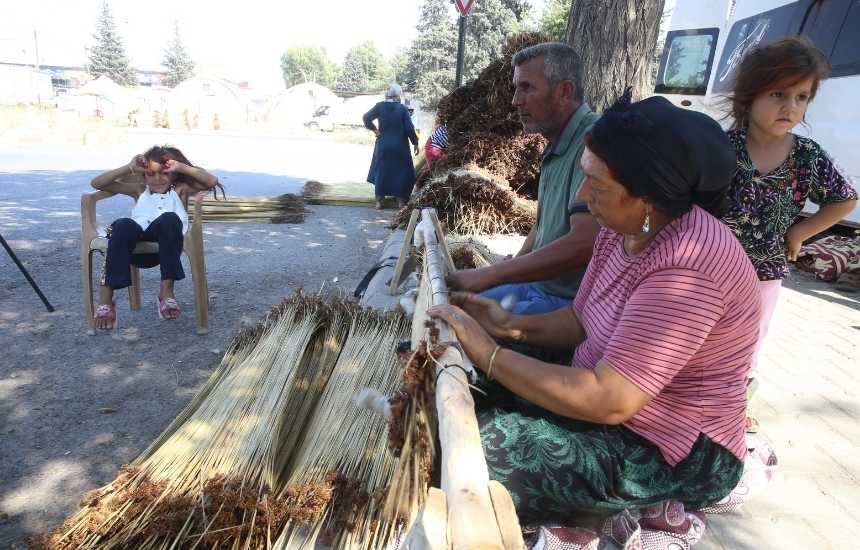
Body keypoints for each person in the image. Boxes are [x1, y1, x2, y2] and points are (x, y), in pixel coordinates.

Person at [428, 93, 762, 522]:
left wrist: (491, 354)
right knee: (461, 380)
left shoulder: (689, 266)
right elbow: (580, 319)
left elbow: (610, 399)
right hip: (610, 390)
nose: (584, 195)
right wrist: (508, 326)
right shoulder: (620, 228)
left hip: (668, 445)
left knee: (481, 451)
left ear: (648, 199)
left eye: (598, 185)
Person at [721, 37, 858, 381]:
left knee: (747, 343)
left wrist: (800, 232)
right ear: (750, 95)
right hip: (712, 269)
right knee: (699, 335)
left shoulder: (807, 155)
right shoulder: (723, 148)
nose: (791, 107)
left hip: (764, 273)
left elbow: (845, 199)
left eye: (801, 97)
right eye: (778, 94)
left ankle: (736, 404)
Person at [446, 42, 601, 315]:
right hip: (536, 287)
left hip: (566, 304)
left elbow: (584, 242)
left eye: (527, 87)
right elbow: (541, 227)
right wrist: (506, 269)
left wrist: (491, 276)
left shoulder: (594, 143)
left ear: (565, 91)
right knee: (449, 304)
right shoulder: (555, 144)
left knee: (461, 322)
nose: (516, 100)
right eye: (517, 87)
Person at [90, 145, 223, 330]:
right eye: (151, 174)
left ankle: (166, 293)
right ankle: (106, 301)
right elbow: (97, 183)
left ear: (172, 174)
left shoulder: (180, 190)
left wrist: (181, 167)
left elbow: (211, 181)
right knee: (121, 224)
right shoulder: (139, 189)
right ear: (144, 175)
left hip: (167, 243)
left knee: (170, 218)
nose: (158, 179)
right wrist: (129, 168)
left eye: (164, 174)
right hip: (134, 242)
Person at [363, 83, 420, 209]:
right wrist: (415, 143)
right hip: (400, 146)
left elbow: (366, 118)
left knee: (382, 171)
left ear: (387, 94)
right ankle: (400, 202)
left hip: (383, 145)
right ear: (398, 95)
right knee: (402, 171)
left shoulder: (379, 106)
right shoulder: (402, 109)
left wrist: (374, 130)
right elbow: (410, 129)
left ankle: (378, 202)